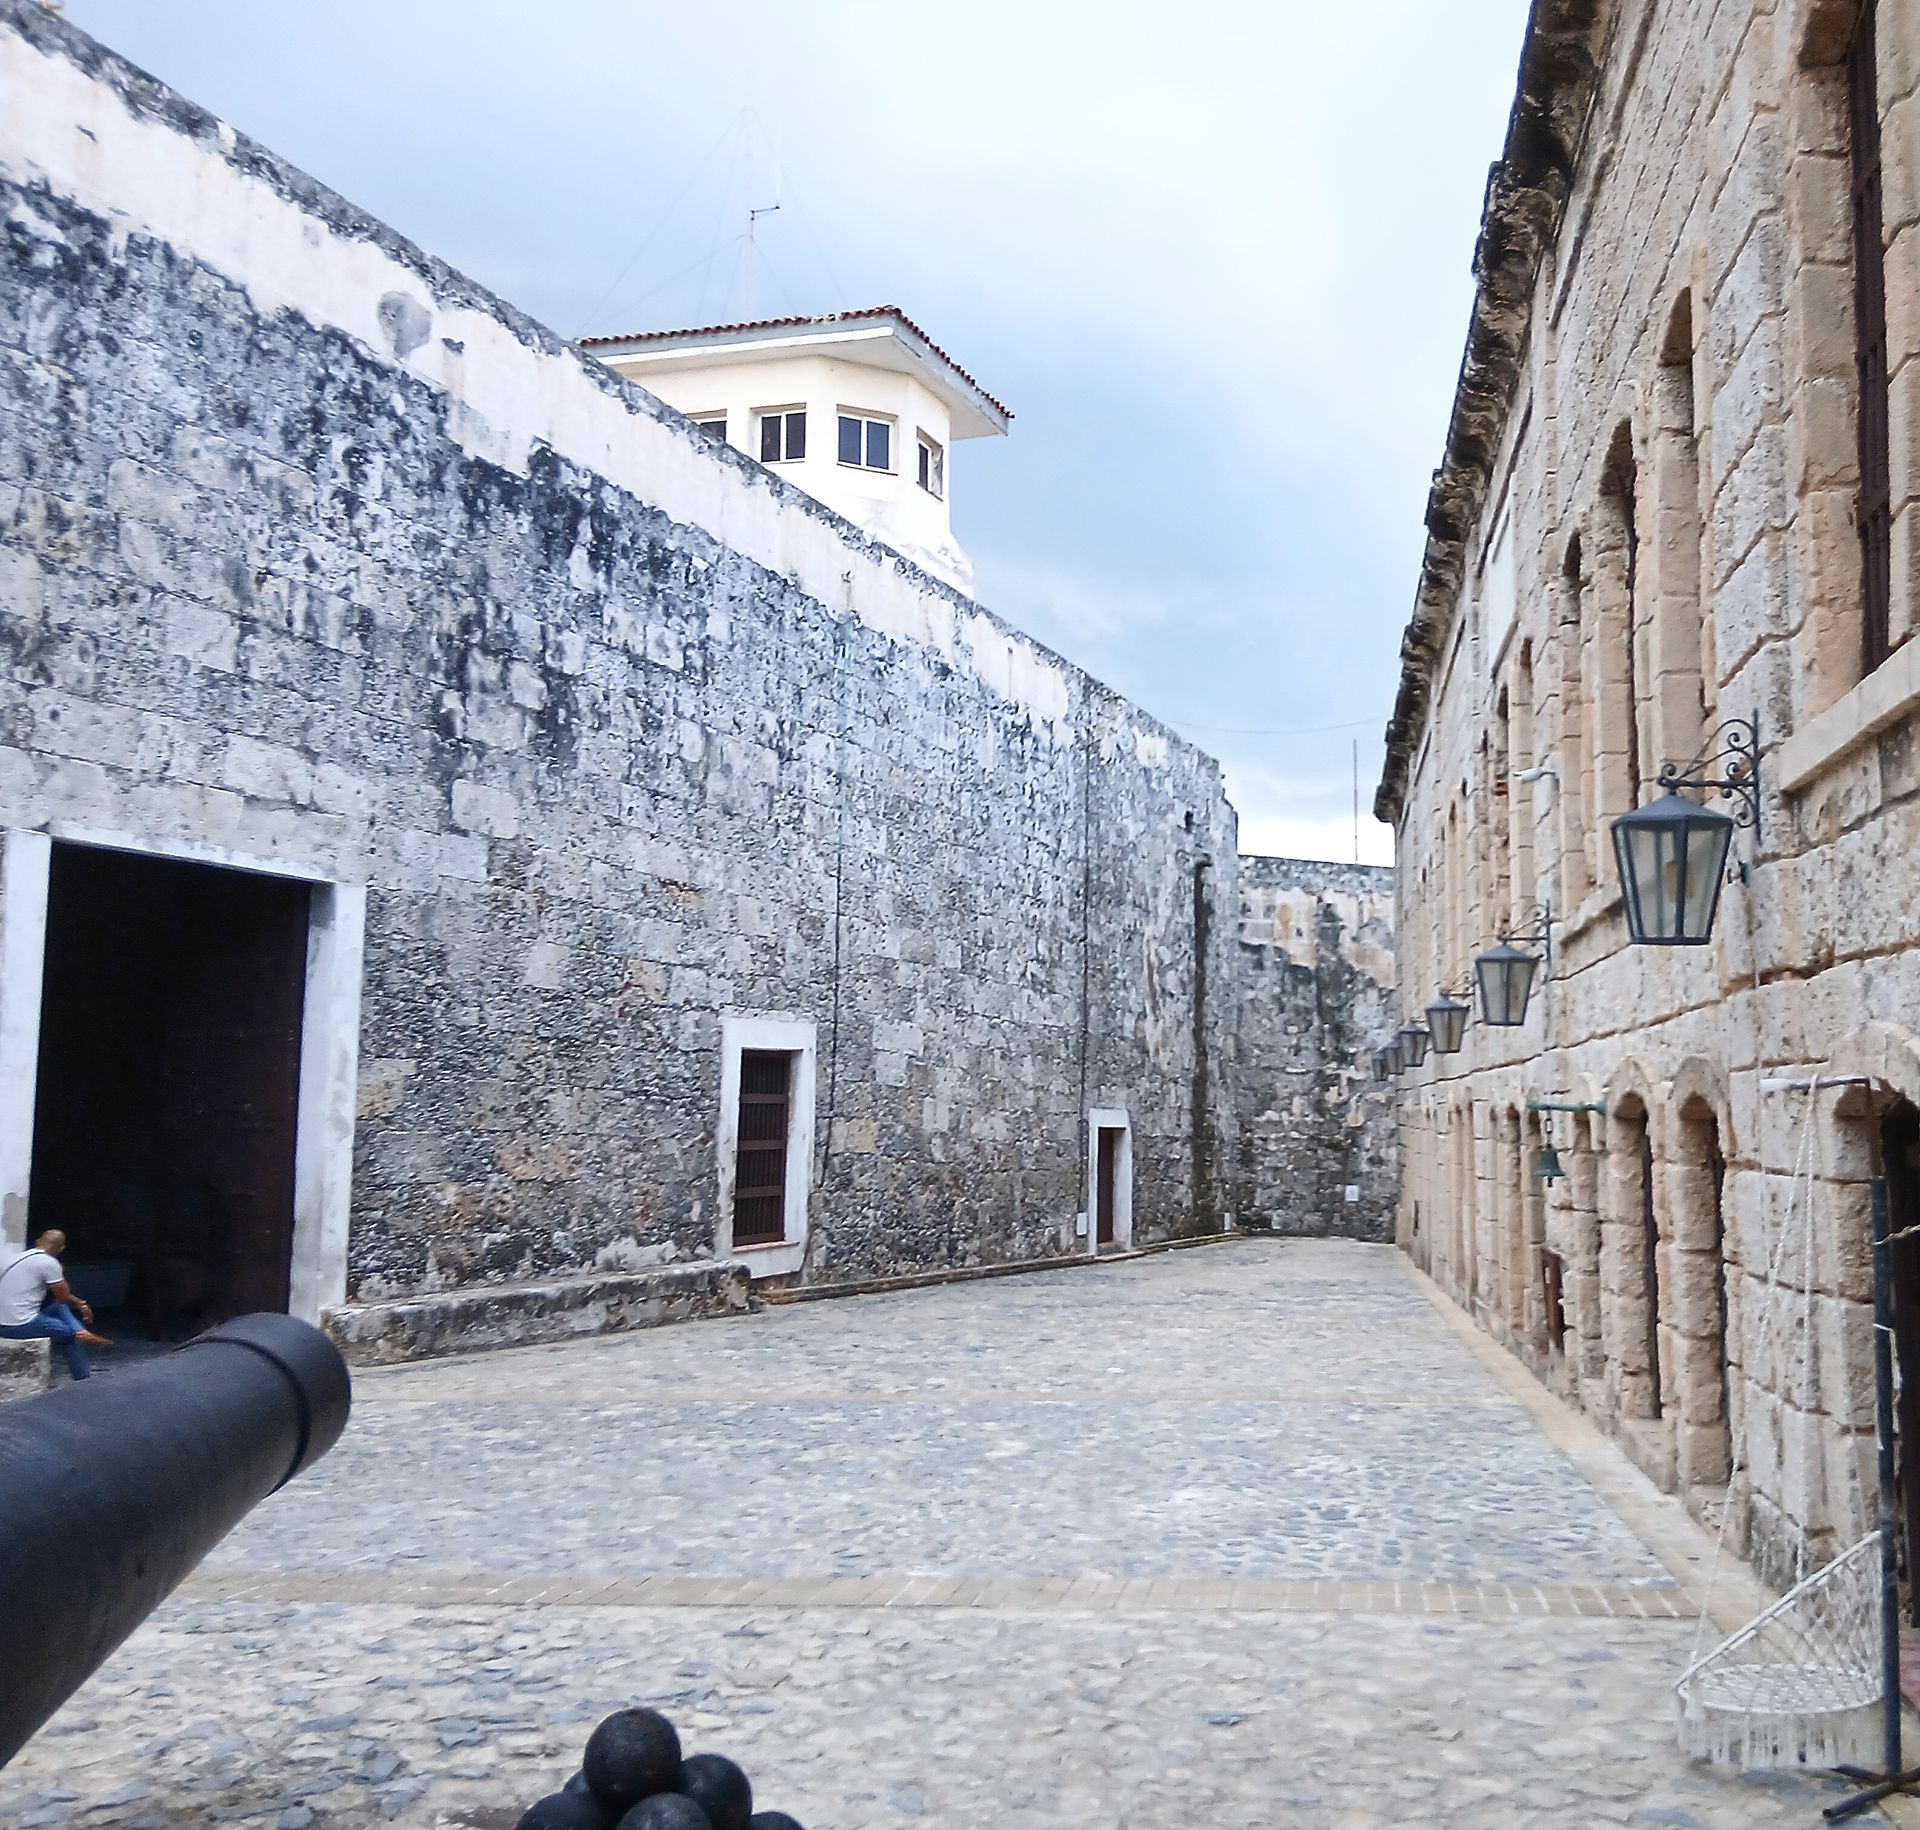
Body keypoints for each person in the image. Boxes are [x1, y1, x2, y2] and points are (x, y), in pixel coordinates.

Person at [0, 1228, 109, 1381]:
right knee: (68, 1334)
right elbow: (63, 1296)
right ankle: (83, 1378)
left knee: (57, 1305)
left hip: (3, 1320)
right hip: (19, 1323)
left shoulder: (18, 1257)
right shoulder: (49, 1263)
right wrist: (80, 1303)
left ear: (38, 1242)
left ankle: (80, 1330)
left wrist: (79, 1303)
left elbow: (60, 1300)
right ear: (61, 1249)